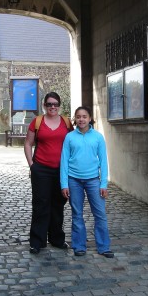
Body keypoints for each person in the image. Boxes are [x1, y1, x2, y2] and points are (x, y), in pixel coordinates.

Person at [60, 106, 114, 258]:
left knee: (100, 214)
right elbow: (64, 161)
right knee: (77, 214)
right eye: (78, 117)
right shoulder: (69, 137)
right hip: (74, 180)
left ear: (90, 118)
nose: (81, 119)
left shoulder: (97, 137)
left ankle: (103, 247)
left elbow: (103, 161)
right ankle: (79, 246)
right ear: (75, 119)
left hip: (93, 180)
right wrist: (64, 184)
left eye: (84, 116)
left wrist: (103, 184)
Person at [24, 92, 73, 254]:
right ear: (44, 105)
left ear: (59, 105)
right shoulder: (37, 122)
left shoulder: (66, 122)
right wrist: (32, 165)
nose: (53, 107)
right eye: (49, 104)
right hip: (42, 169)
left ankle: (56, 239)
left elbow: (74, 142)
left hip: (61, 170)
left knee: (58, 205)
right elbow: (28, 143)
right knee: (40, 205)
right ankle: (37, 241)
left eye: (56, 104)